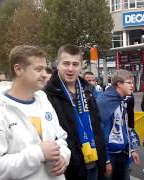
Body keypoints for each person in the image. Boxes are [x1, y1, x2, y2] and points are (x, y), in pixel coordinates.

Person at [0, 45, 71, 180]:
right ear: (18, 69)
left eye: (45, 68)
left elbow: (60, 138)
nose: (45, 74)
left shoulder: (44, 101)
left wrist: (64, 156)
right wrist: (38, 153)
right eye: (38, 69)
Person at [44, 44, 107, 180]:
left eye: (75, 64)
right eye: (66, 63)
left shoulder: (88, 90)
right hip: (70, 167)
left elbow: (98, 126)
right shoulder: (47, 95)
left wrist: (105, 158)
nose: (71, 68)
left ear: (81, 66)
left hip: (95, 161)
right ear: (57, 64)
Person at [97, 69, 140, 180]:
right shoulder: (104, 101)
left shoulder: (121, 100)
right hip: (110, 155)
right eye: (129, 83)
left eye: (132, 83)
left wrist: (131, 149)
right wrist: (106, 160)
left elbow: (124, 127)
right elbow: (100, 132)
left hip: (123, 153)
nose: (132, 86)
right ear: (119, 84)